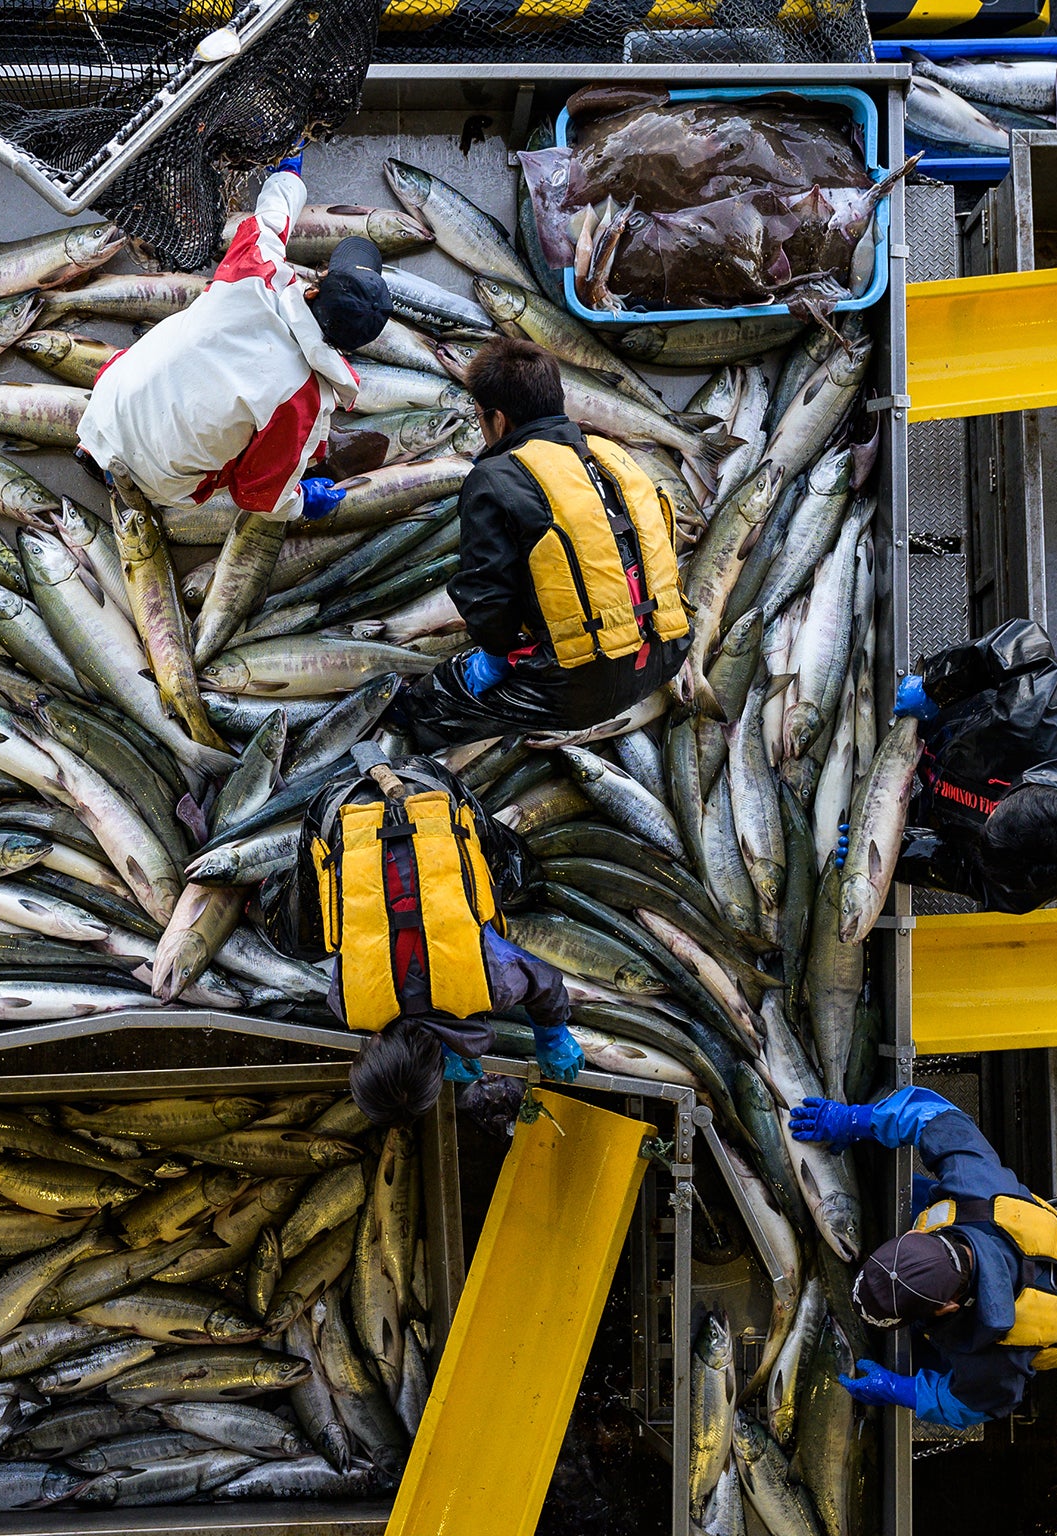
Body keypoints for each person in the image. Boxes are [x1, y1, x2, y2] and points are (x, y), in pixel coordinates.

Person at [396, 337, 692, 750]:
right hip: (664, 654)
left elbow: (487, 607)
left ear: (497, 420)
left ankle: (425, 733)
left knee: (429, 703)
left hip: (575, 689)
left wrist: (496, 657)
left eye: (480, 416)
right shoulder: (612, 455)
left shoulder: (495, 477)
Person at [76, 143, 393, 526]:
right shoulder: (304, 401)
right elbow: (257, 494)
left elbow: (270, 221)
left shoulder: (255, 272)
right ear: (349, 349)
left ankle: (96, 452)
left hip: (104, 408)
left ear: (313, 289)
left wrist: (287, 176)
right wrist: (301, 502)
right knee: (266, 458)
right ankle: (130, 480)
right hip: (158, 482)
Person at [271, 747, 585, 1125]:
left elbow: (545, 982)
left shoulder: (490, 986)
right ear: (372, 1047)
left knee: (515, 880)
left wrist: (551, 1036)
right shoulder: (349, 1004)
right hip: (340, 803)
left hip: (431, 787)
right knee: (300, 940)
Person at [791, 1085, 1057, 1427]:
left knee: (920, 1361)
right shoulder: (977, 1187)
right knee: (916, 1198)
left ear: (947, 1307)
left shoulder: (994, 1361)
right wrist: (854, 1120)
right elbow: (934, 1114)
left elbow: (971, 1406)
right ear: (918, 1235)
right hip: (1027, 1245)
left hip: (1035, 1320)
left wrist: (897, 1389)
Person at [886, 619, 1057, 912]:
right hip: (966, 731)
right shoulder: (1048, 716)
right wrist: (936, 686)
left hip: (948, 811)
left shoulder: (1053, 873)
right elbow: (1021, 643)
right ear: (1022, 790)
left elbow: (970, 876)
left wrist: (893, 850)